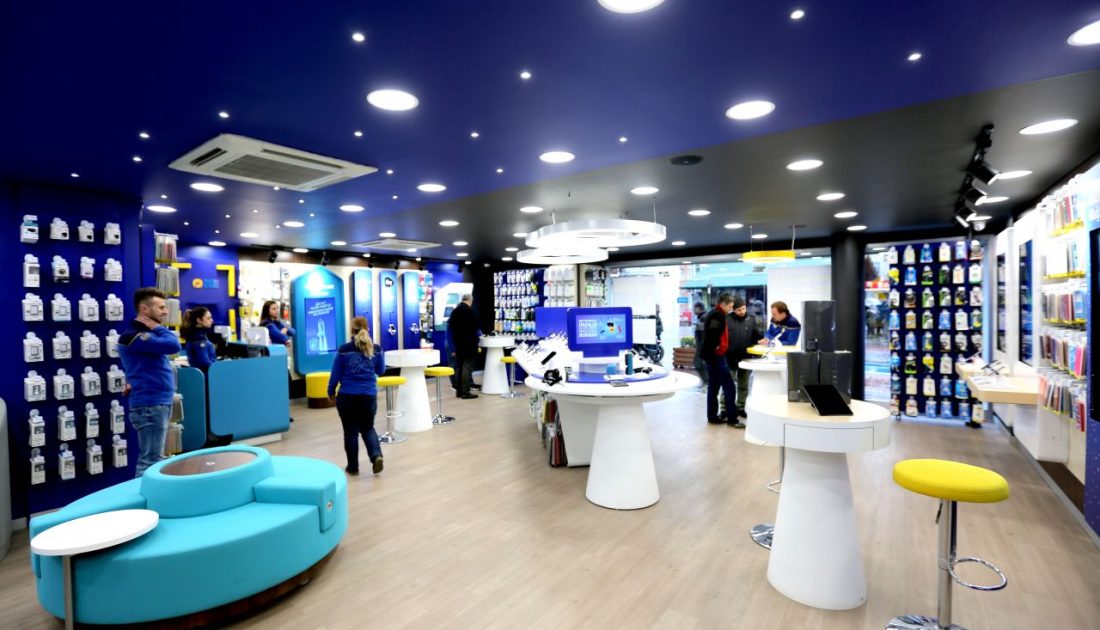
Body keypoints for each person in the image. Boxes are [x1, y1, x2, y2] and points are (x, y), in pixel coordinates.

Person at [117, 287, 182, 476]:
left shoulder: (144, 335)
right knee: (150, 461)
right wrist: (157, 327)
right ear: (144, 309)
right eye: (161, 307)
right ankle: (143, 495)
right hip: (150, 405)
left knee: (154, 459)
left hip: (155, 403)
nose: (166, 312)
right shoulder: (135, 336)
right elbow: (173, 345)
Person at [328, 316, 385, 475]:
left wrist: (330, 391)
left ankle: (353, 468)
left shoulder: (343, 349)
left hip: (347, 396)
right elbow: (380, 370)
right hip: (368, 396)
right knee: (368, 428)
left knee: (350, 431)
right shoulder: (376, 349)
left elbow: (335, 374)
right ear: (368, 329)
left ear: (351, 330)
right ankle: (376, 456)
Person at [700, 293, 738, 427]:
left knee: (714, 387)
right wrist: (715, 347)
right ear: (722, 304)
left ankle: (712, 417)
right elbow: (713, 333)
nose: (731, 309)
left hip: (712, 356)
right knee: (729, 387)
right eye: (730, 306)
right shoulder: (718, 315)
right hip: (716, 356)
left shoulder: (715, 313)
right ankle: (732, 419)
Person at [725, 296, 764, 423]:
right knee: (727, 385)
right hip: (729, 358)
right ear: (733, 310)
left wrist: (760, 341)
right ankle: (724, 409)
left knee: (743, 385)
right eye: (739, 310)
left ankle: (740, 408)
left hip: (746, 358)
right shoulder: (727, 320)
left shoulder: (751, 319)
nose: (742, 311)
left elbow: (756, 336)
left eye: (743, 308)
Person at [448, 294, 481, 399]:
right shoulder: (470, 312)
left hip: (458, 344)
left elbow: (451, 328)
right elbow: (475, 329)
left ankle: (459, 392)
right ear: (470, 300)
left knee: (459, 367)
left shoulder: (455, 311)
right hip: (469, 344)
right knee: (467, 367)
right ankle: (465, 392)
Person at [181, 307, 217, 372]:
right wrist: (218, 368)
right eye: (208, 318)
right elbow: (204, 362)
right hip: (207, 375)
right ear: (199, 320)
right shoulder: (199, 339)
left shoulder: (194, 336)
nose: (212, 320)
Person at [691, 302, 708, 387]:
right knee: (699, 363)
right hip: (701, 346)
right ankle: (706, 381)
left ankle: (707, 381)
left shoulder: (703, 318)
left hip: (702, 347)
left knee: (698, 363)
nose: (693, 310)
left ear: (698, 308)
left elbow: (704, 334)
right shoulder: (702, 317)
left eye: (694, 308)